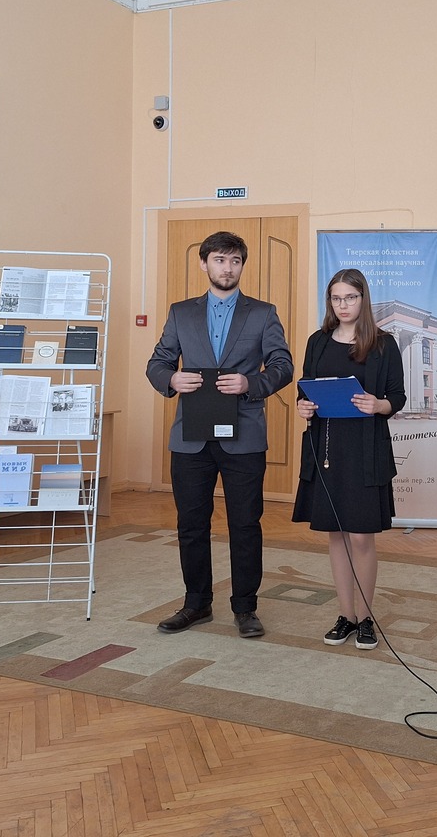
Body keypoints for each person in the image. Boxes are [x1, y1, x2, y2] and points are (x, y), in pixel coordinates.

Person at [146, 231, 293, 639]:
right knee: (191, 524)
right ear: (204, 263)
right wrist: (171, 378)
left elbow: (283, 365)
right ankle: (196, 604)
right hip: (190, 436)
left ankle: (246, 607)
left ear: (242, 265)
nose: (227, 268)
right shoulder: (181, 313)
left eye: (235, 261)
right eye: (220, 260)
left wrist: (251, 384)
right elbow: (157, 362)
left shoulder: (263, 313)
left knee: (245, 524)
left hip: (244, 435)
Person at [293, 269, 406, 651]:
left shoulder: (383, 343)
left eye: (350, 298)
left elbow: (397, 397)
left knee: (360, 536)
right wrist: (304, 406)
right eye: (336, 298)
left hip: (365, 449)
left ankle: (367, 617)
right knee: (337, 534)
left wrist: (378, 405)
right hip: (326, 449)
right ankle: (346, 616)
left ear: (363, 299)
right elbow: (306, 389)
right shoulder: (318, 341)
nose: (343, 305)